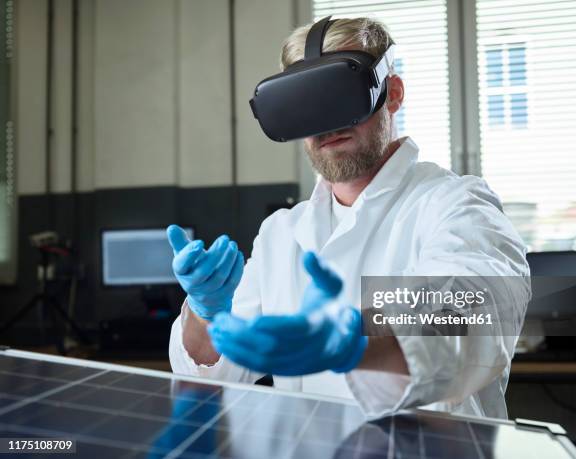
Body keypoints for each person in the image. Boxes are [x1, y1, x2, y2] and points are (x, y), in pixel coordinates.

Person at [167, 17, 530, 419]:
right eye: (304, 104)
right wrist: (207, 312)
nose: (326, 124)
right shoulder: (281, 233)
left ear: (392, 93)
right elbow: (211, 376)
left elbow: (470, 316)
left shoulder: (457, 205)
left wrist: (355, 343)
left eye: (339, 96)